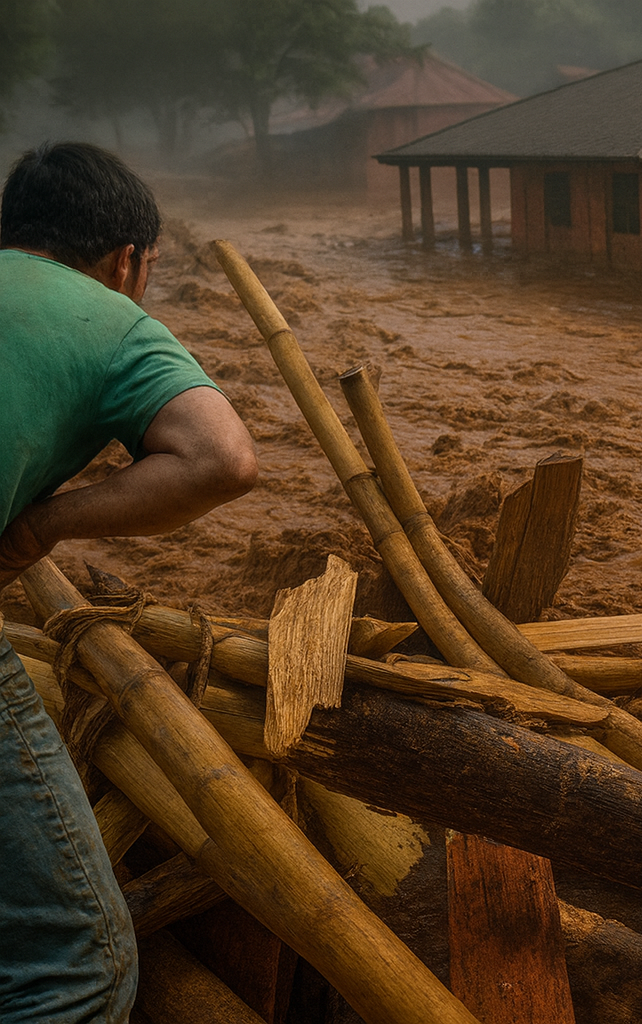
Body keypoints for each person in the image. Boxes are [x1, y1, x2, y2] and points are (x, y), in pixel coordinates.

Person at [0, 142, 258, 1023]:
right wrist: (43, 526)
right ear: (127, 261)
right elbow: (224, 460)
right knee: (76, 965)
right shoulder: (109, 318)